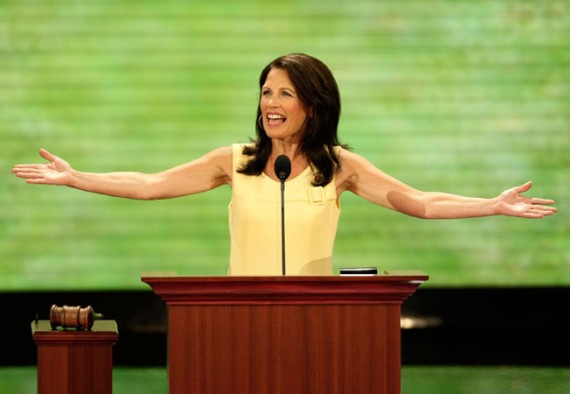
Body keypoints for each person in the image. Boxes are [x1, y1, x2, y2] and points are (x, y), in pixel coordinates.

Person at [11, 53, 557, 276]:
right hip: (238, 315)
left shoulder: (341, 166)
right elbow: (151, 184)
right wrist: (76, 176)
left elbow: (418, 202)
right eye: (265, 92)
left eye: (285, 94)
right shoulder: (238, 161)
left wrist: (493, 205)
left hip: (315, 316)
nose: (270, 104)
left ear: (313, 105)